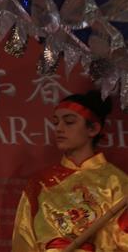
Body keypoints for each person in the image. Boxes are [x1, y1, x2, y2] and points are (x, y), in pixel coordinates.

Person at [12, 90, 128, 251]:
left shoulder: (116, 181)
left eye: (69, 122)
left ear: (93, 129)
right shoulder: (40, 182)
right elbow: (23, 239)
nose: (59, 128)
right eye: (56, 122)